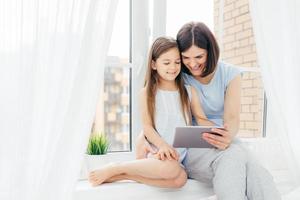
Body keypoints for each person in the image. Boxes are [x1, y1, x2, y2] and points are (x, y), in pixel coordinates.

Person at [136, 22, 281, 200]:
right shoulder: (177, 74)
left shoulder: (230, 73)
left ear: (210, 52)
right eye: (185, 58)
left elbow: (232, 118)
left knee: (254, 168)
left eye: (199, 56)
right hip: (192, 145)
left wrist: (227, 137)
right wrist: (147, 141)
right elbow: (156, 114)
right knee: (235, 156)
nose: (192, 64)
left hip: (221, 136)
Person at [89, 36, 214, 188]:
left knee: (180, 180)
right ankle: (117, 167)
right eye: (166, 63)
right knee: (171, 169)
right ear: (154, 64)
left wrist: (218, 130)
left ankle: (122, 175)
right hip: (158, 151)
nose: (173, 67)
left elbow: (201, 118)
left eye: (177, 62)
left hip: (177, 155)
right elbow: (147, 127)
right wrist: (162, 145)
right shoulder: (147, 93)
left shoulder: (189, 91)